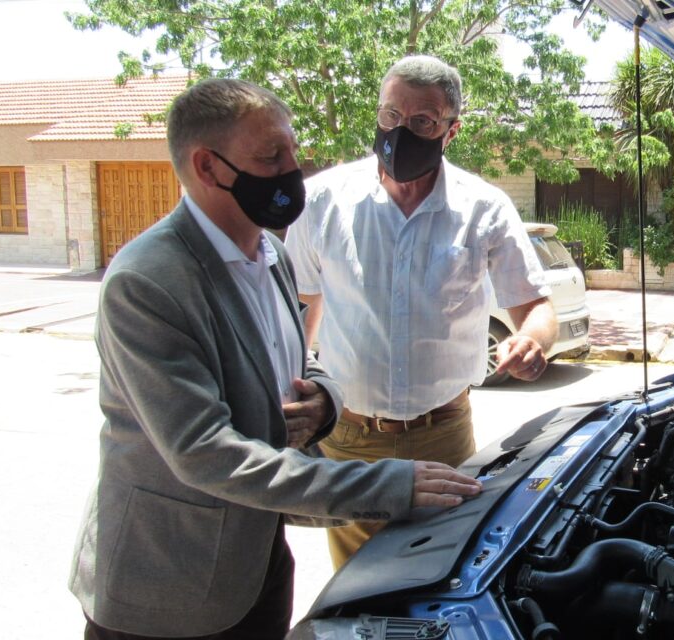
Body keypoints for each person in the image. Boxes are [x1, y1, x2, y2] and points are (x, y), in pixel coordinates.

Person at [68, 78, 481, 640]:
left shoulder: (271, 255)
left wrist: (325, 400)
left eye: (291, 149)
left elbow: (299, 363)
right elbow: (206, 453)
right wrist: (389, 488)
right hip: (169, 588)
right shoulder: (149, 282)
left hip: (257, 571)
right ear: (208, 168)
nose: (293, 168)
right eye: (271, 157)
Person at [285, 55, 558, 569]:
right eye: (391, 115)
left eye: (422, 122)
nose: (400, 131)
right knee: (356, 586)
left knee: (436, 576)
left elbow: (535, 306)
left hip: (443, 435)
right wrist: (291, 385)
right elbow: (304, 305)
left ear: (451, 131)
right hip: (347, 435)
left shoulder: (484, 208)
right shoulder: (323, 200)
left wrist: (533, 341)